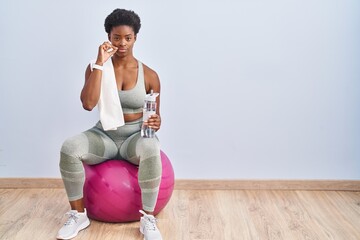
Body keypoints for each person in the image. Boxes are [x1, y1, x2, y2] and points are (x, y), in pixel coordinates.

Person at [57, 9, 163, 240]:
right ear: (108, 37)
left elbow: (155, 116)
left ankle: (147, 219)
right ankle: (78, 215)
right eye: (117, 37)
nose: (122, 43)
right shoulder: (97, 68)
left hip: (135, 137)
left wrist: (156, 122)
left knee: (152, 147)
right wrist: (99, 63)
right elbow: (88, 103)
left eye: (128, 37)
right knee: (69, 147)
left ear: (135, 38)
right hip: (104, 135)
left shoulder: (150, 75)